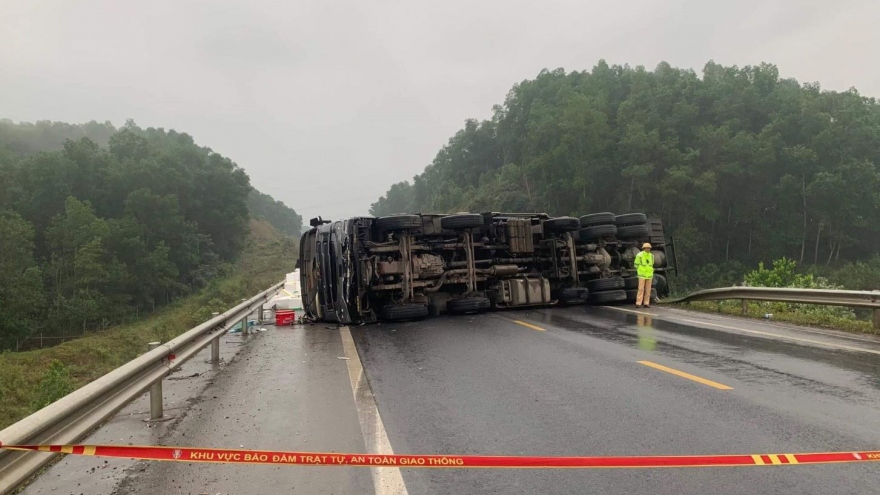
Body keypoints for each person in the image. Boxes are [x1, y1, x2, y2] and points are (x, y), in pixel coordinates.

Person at [633, 242, 654, 308]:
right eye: (647, 248)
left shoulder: (651, 256)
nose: (648, 249)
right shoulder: (639, 255)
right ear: (644, 248)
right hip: (642, 275)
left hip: (649, 275)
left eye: (649, 248)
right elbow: (636, 264)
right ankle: (638, 303)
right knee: (641, 289)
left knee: (648, 290)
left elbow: (652, 264)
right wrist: (640, 270)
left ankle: (646, 303)